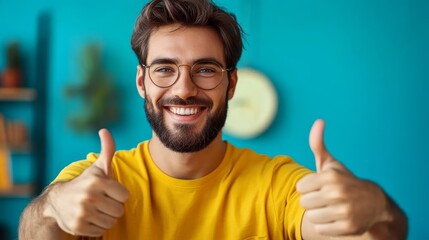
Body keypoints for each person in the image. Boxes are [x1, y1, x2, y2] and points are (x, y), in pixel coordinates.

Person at [19, 0, 408, 239]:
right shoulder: (94, 184)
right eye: (164, 69)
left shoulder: (277, 186)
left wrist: (377, 209)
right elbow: (34, 234)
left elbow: (362, 236)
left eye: (205, 69)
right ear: (141, 81)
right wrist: (53, 207)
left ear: (231, 83)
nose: (184, 89)